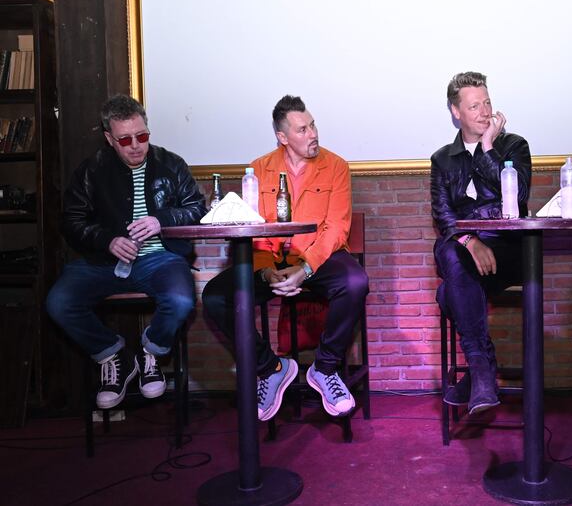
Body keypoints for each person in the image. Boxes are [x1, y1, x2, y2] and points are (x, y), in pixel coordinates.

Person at [202, 95, 369, 421]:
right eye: (303, 129)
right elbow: (254, 226)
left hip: (317, 257)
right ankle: (271, 368)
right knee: (215, 297)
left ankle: (325, 367)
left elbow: (337, 229)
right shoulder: (260, 168)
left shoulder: (336, 166)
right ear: (283, 137)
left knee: (355, 282)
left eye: (313, 125)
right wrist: (266, 272)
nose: (313, 134)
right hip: (271, 260)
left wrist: (304, 269)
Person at [47, 94, 206, 409]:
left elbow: (197, 209)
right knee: (59, 303)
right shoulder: (92, 170)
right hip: (104, 261)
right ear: (109, 139)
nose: (136, 145)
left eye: (142, 136)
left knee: (181, 300)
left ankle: (151, 353)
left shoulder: (171, 164)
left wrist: (161, 220)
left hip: (160, 259)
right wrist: (106, 240)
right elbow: (71, 221)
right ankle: (114, 355)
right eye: (125, 139)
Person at [431, 71, 532, 414]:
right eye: (474, 105)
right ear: (456, 112)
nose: (484, 111)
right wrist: (471, 240)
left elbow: (516, 198)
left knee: (448, 293)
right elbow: (443, 216)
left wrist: (489, 147)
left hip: (508, 249)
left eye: (487, 102)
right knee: (451, 253)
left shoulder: (515, 146)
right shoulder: (442, 159)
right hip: (463, 249)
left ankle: (479, 375)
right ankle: (482, 369)